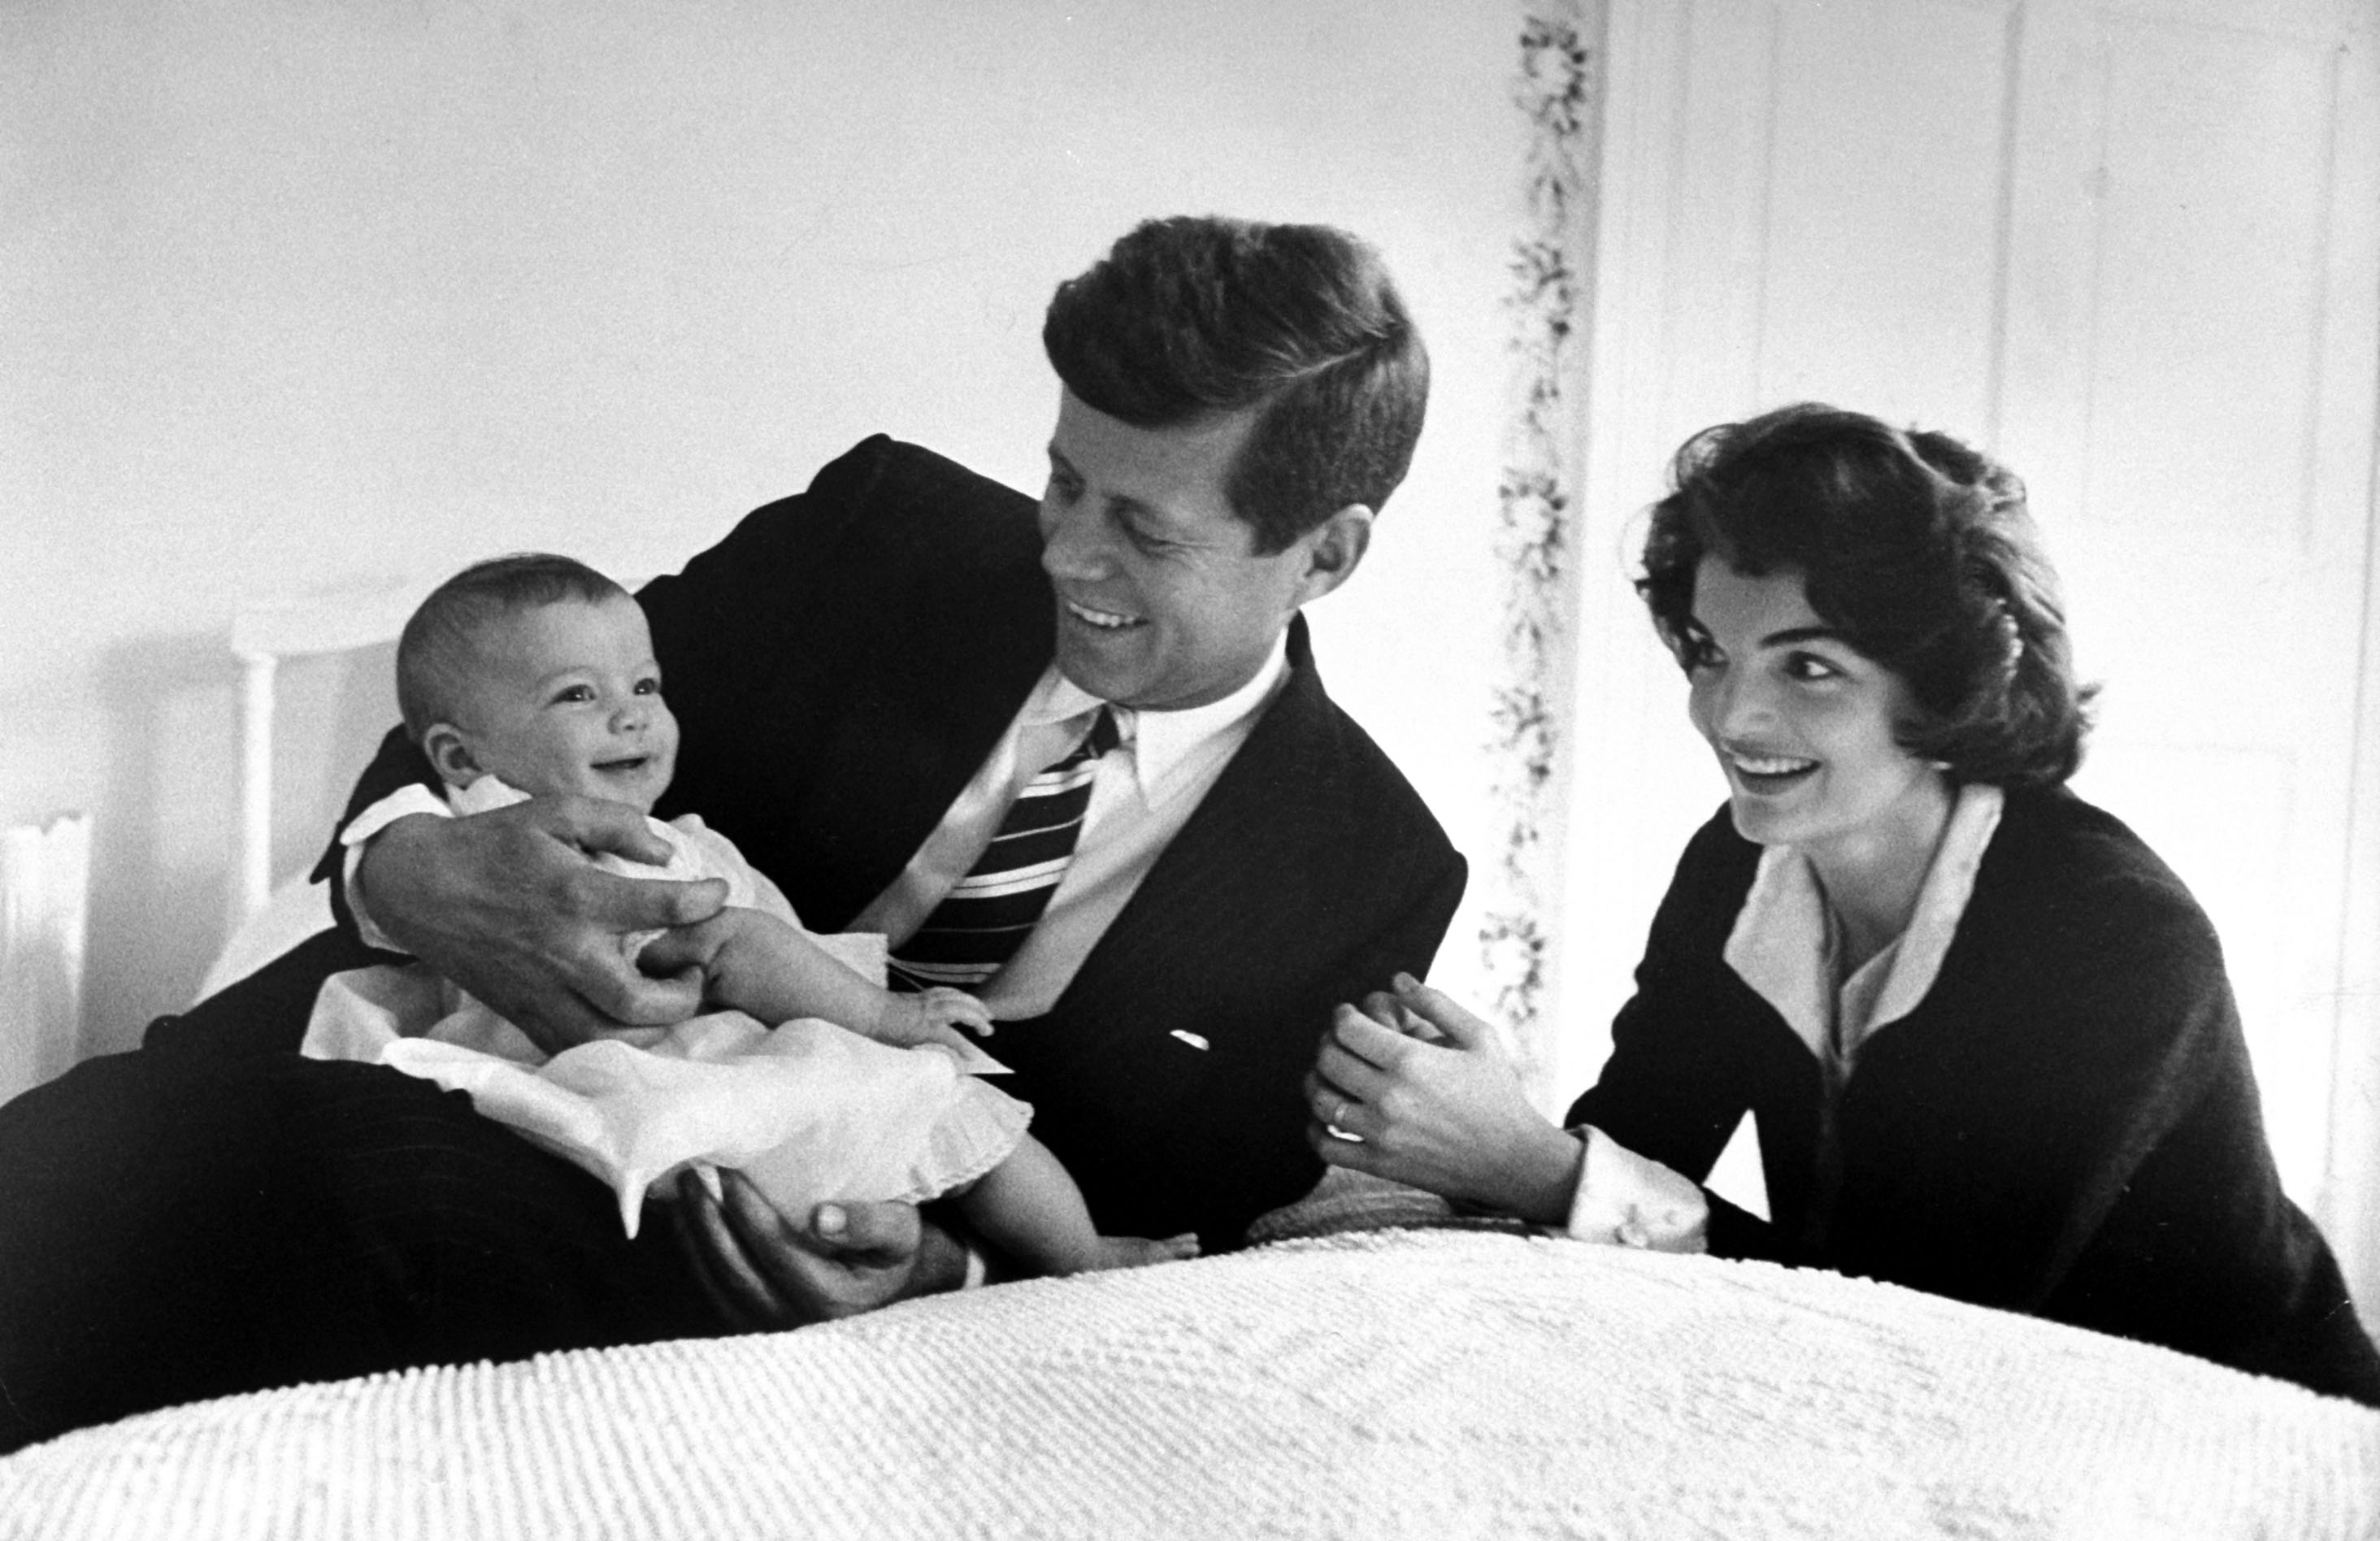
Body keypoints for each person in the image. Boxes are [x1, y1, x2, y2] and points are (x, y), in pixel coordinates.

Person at [0, 214, 1464, 1451]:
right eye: (1061, 479)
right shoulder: (878, 534)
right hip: (435, 1034)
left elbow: (1167, 1232)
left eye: (1142, 528)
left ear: (1324, 550)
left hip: (681, 1204)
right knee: (56, 1176)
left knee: (343, 1207)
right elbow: (476, 717)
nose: (1065, 551)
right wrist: (415, 869)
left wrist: (936, 1267)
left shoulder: (1364, 874)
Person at [1307, 403, 2380, 1404]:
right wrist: (1473, 1108)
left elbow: (1926, 1312)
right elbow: (1642, 1146)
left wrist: (1538, 1170)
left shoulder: (2114, 935)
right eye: (1714, 654)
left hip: (2230, 1416)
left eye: (1808, 666)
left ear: (1950, 684)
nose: (1730, 713)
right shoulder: (1735, 867)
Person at [301, 550, 1192, 1278]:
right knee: (948, 1099)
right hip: (665, 1083)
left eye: (645, 687)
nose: (630, 717)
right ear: (462, 759)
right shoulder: (591, 851)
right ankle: (1079, 1253)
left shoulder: (666, 833)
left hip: (614, 1100)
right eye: (578, 695)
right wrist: (888, 1017)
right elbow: (730, 948)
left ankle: (1014, 1261)